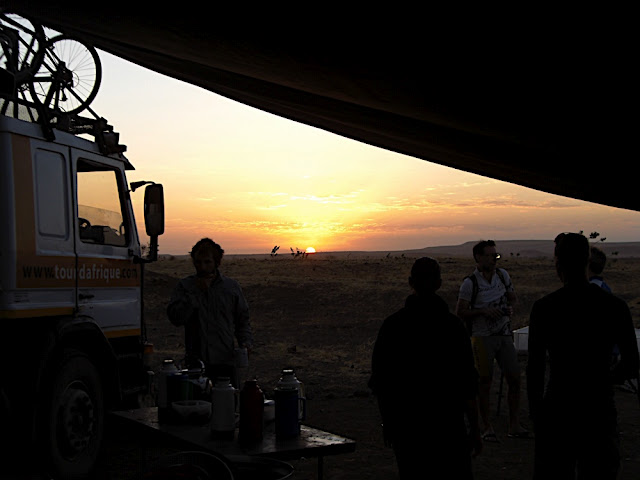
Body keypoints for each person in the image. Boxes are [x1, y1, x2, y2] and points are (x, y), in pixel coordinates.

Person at [527, 232, 640, 479]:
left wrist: (537, 415)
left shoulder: (545, 308)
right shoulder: (615, 307)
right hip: (598, 409)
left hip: (558, 407)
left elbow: (534, 369)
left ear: (558, 263)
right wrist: (603, 379)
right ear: (588, 260)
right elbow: (631, 365)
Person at [369, 257, 482, 479]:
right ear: (439, 283)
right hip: (449, 430)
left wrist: (388, 423)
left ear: (411, 282)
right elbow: (468, 385)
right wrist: (475, 430)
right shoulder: (453, 327)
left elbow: (381, 383)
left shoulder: (393, 326)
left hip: (408, 430)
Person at [455, 240, 530, 442]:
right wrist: (483, 312)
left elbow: (513, 298)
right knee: (484, 382)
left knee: (514, 378)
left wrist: (509, 308)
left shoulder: (502, 276)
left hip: (504, 334)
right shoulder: (470, 283)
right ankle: (485, 426)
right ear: (478, 258)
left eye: (495, 255)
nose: (493, 259)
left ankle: (514, 424)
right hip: (482, 337)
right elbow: (460, 312)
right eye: (489, 255)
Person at [167, 238, 253, 385]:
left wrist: (245, 342)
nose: (202, 267)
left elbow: (242, 318)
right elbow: (176, 318)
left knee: (226, 403)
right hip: (196, 362)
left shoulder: (231, 288)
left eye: (207, 262)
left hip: (225, 360)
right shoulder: (185, 286)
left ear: (216, 262)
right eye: (198, 262)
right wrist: (195, 295)